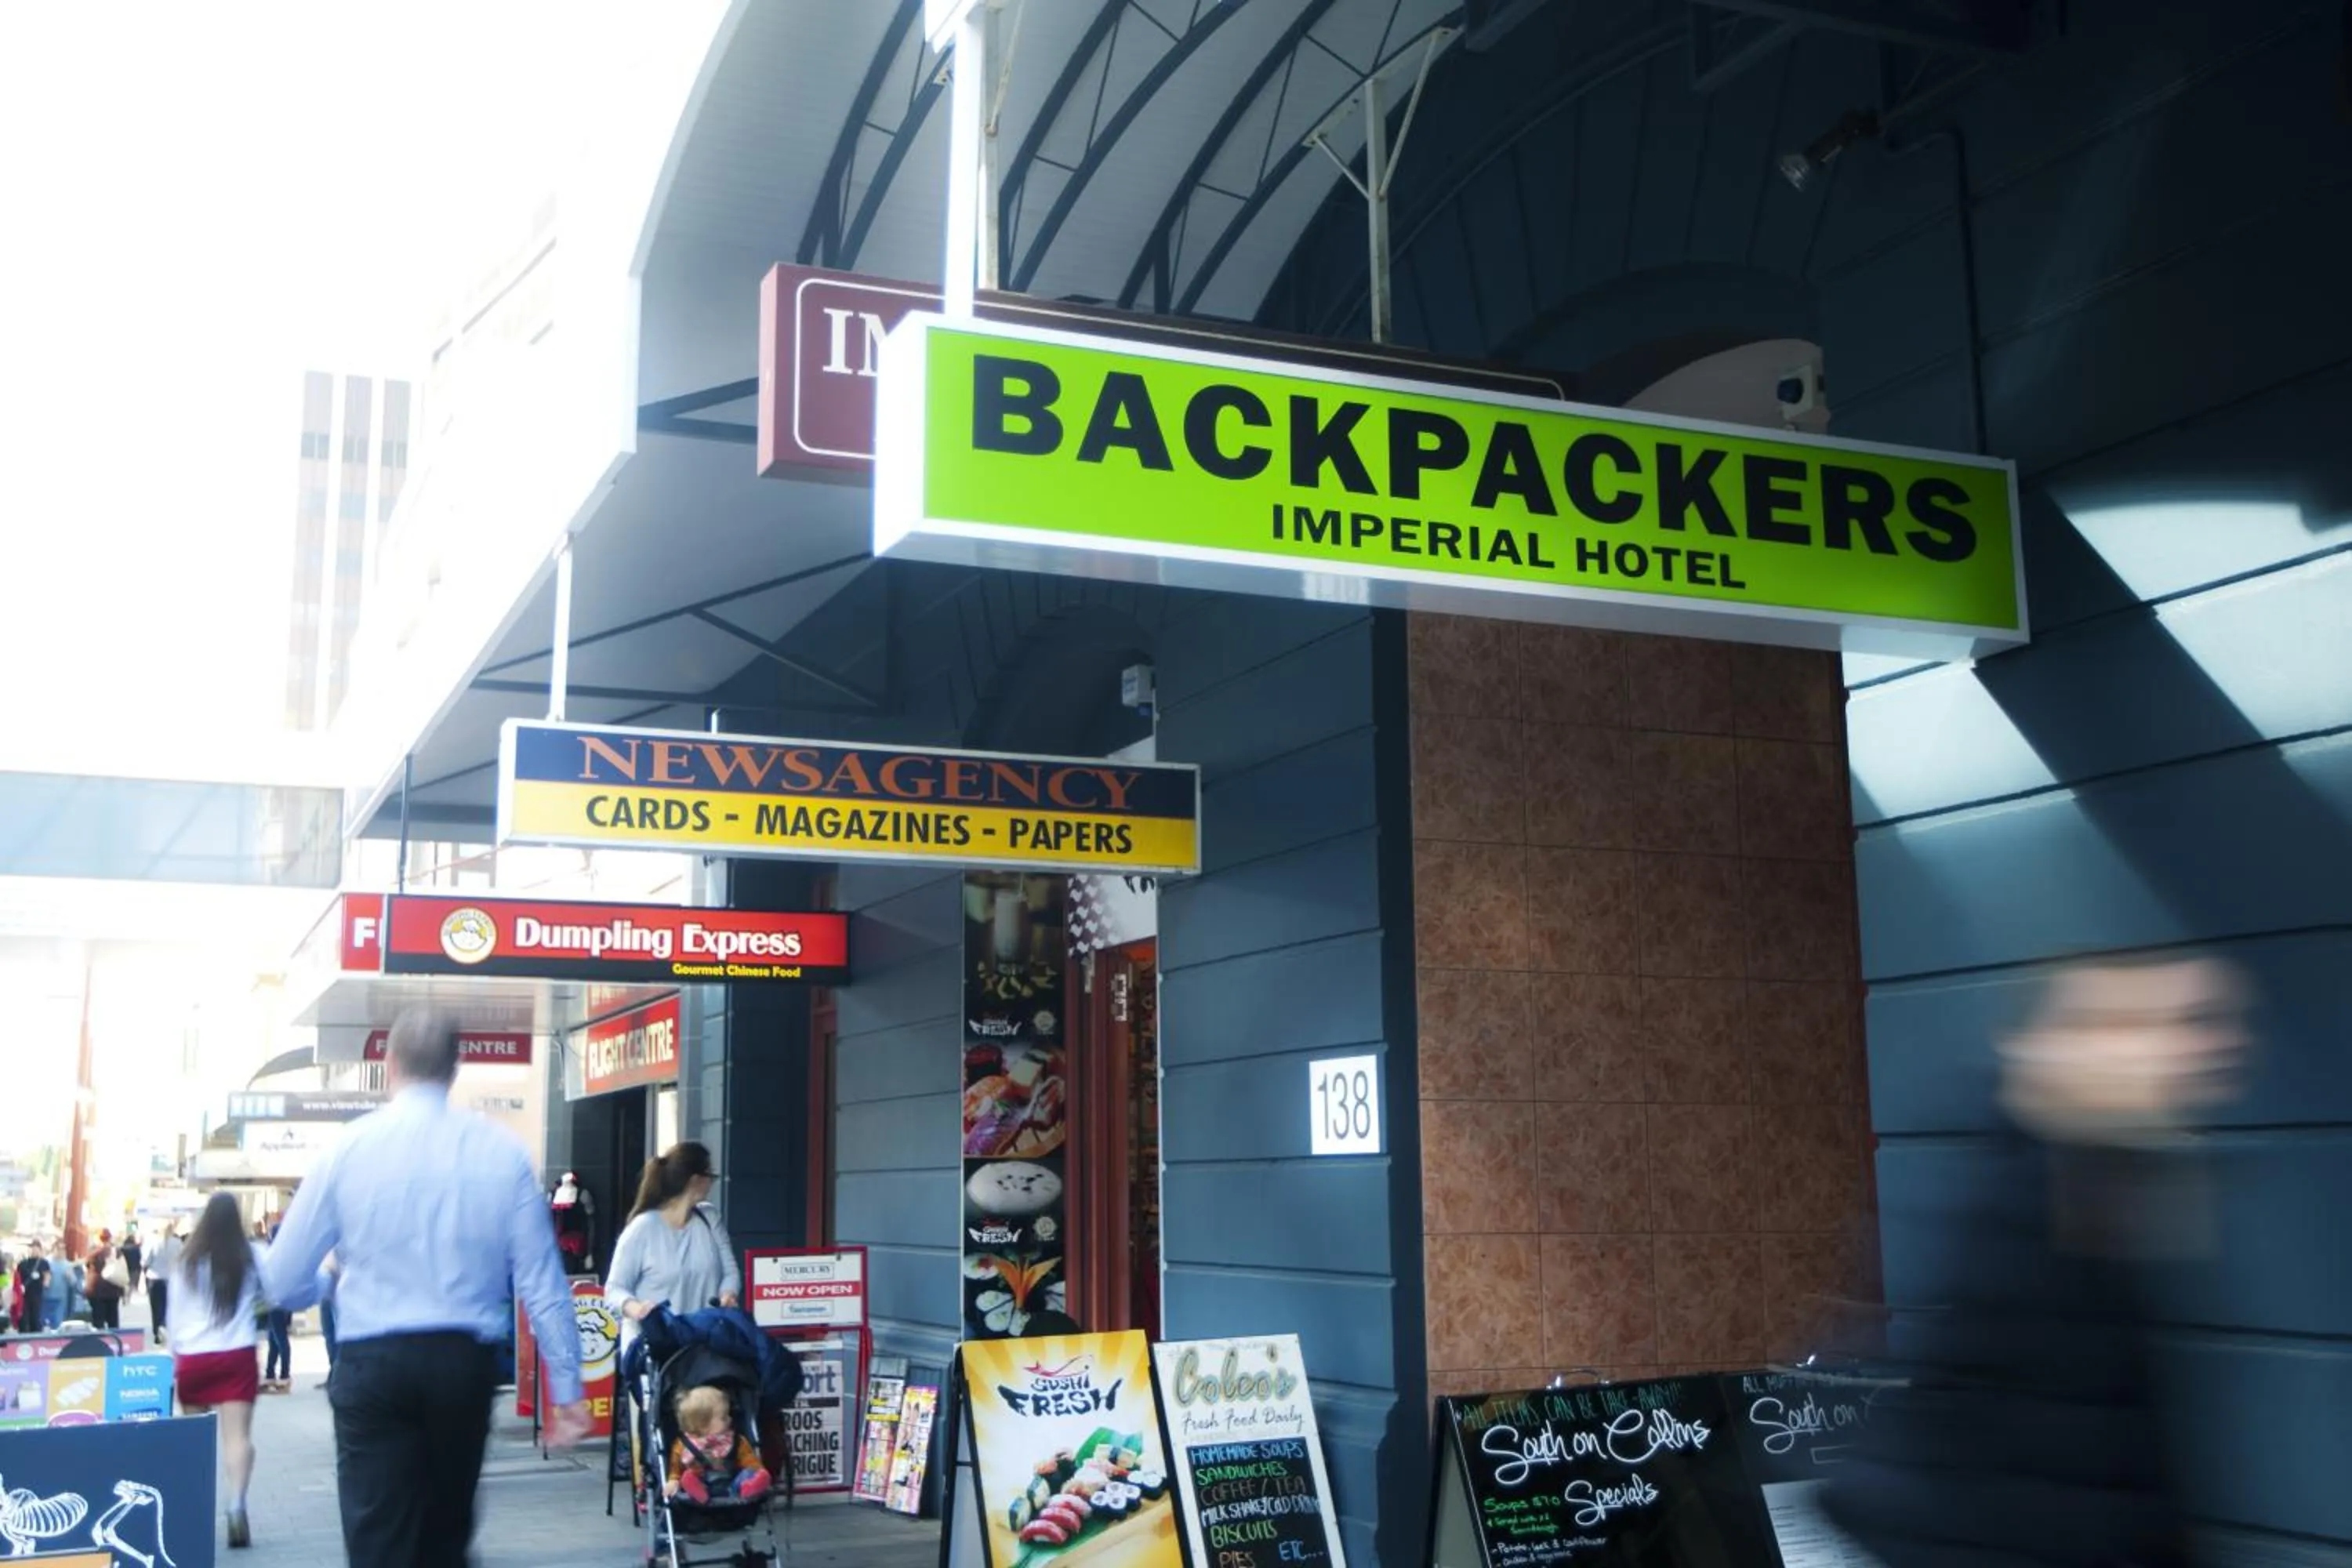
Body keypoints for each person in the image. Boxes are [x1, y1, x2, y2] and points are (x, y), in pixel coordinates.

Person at [1820, 954, 2252, 1568]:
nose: (2210, 1046)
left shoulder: (2094, 1193)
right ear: (2065, 1045)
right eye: (2180, 1024)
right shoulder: (2015, 1207)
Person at [261, 1007, 589, 1568]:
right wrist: (569, 1387)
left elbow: (283, 1279)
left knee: (378, 1540)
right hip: (461, 1365)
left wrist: (325, 1285)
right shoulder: (503, 1153)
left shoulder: (346, 1150)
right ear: (455, 1068)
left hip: (373, 1363)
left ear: (388, 1065)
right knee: (445, 1537)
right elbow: (542, 1282)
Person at [169, 1193, 281, 1549]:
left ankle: (194, 1512)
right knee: (237, 1438)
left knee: (195, 1440)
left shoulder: (186, 1261)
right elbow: (276, 1293)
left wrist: (175, 1356)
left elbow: (174, 1316)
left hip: (194, 1358)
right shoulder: (251, 1256)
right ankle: (236, 1505)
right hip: (236, 1354)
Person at [605, 1142, 742, 1341]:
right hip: (654, 1346)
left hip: (702, 1342)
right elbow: (614, 1289)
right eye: (710, 1176)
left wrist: (728, 1294)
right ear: (696, 1180)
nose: (712, 1183)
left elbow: (730, 1271)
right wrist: (637, 1309)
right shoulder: (642, 1228)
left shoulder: (710, 1219)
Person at [666, 1385, 772, 1504]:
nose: (730, 1419)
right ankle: (698, 1492)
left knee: (749, 1473)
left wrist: (756, 1470)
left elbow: (749, 1460)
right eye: (723, 1417)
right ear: (703, 1425)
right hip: (703, 1483)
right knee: (688, 1476)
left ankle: (748, 1489)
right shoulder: (684, 1445)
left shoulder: (735, 1441)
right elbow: (676, 1468)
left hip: (731, 1485)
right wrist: (673, 1480)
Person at [147, 1223, 183, 1347]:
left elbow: (147, 1261)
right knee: (170, 1307)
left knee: (156, 1308)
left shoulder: (153, 1242)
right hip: (172, 1280)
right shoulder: (178, 1243)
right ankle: (170, 1332)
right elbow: (182, 1260)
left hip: (155, 1279)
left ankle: (157, 1334)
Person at [84, 1228, 125, 1330]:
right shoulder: (117, 1252)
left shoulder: (93, 1253)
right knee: (113, 1320)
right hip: (113, 1289)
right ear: (110, 1238)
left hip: (96, 1290)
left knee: (98, 1320)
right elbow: (122, 1269)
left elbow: (87, 1266)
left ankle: (99, 1343)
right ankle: (114, 1342)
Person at [12, 1241, 49, 1333]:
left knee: (35, 1318)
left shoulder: (43, 1263)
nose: (33, 1250)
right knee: (23, 1318)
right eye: (32, 1248)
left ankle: (36, 1336)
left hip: (37, 1294)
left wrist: (45, 1283)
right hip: (23, 1294)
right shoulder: (23, 1263)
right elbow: (17, 1277)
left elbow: (47, 1277)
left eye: (36, 1248)